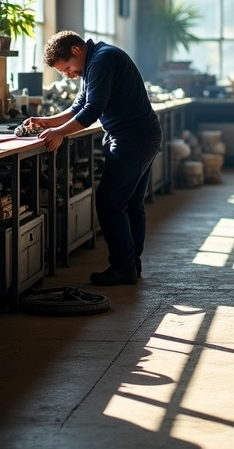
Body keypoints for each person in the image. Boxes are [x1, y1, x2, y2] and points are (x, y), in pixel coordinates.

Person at [24, 31, 163, 286]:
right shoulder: (93, 62)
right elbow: (79, 105)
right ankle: (131, 265)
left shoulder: (102, 60)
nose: (67, 74)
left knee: (110, 202)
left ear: (76, 51)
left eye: (66, 68)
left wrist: (59, 134)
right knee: (130, 204)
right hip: (137, 135)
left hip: (133, 138)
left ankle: (123, 267)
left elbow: (92, 111)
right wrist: (47, 122)